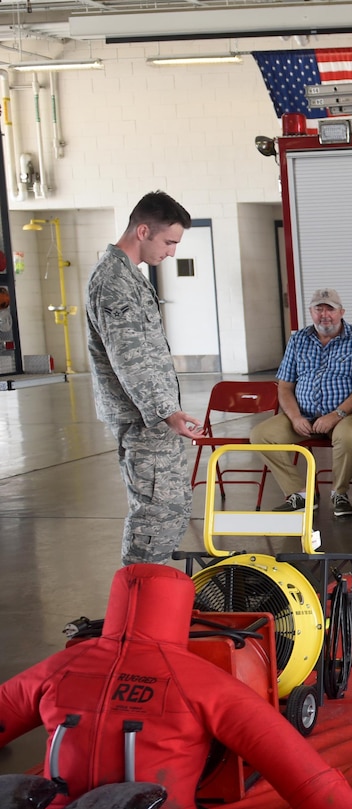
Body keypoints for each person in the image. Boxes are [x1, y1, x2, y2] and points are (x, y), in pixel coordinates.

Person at [83, 190, 203, 566]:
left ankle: (155, 600)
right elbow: (130, 358)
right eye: (169, 242)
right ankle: (138, 599)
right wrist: (167, 411)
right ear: (143, 230)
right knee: (155, 513)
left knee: (172, 507)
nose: (171, 252)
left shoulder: (129, 277)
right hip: (143, 419)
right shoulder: (113, 281)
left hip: (152, 419)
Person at [250, 288, 352, 517]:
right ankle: (300, 494)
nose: (324, 315)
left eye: (330, 309)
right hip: (305, 415)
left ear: (341, 312)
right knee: (261, 435)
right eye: (318, 309)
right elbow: (285, 386)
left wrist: (336, 414)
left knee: (348, 436)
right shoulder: (299, 339)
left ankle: (339, 493)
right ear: (311, 312)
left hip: (348, 415)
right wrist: (295, 417)